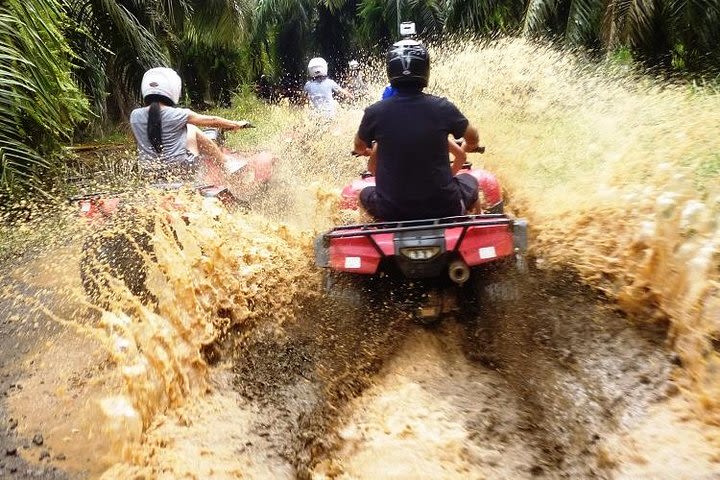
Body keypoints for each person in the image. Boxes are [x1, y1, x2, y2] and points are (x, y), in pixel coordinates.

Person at [353, 40, 481, 221]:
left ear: (390, 71)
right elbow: (473, 136)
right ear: (425, 69)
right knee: (472, 181)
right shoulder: (443, 107)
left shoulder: (374, 112)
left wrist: (365, 150)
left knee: (363, 194)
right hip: (445, 207)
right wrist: (470, 145)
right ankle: (474, 229)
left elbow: (358, 146)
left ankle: (370, 234)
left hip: (391, 212)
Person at [129, 67, 250, 181]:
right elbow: (212, 120)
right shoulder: (179, 114)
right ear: (173, 89)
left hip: (149, 173)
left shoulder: (135, 116)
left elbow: (139, 143)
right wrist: (236, 124)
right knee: (191, 128)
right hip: (180, 170)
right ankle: (225, 163)